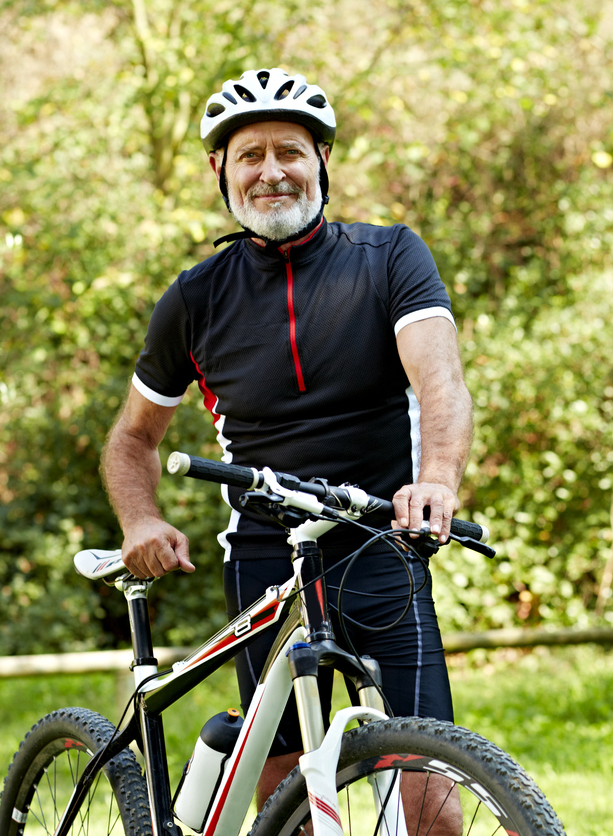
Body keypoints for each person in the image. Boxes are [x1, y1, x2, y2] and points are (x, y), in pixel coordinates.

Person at [100, 67, 471, 830]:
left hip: (378, 536)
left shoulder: (391, 258)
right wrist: (140, 521)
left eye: (291, 151)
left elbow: (440, 381)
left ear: (322, 163)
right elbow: (133, 438)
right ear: (220, 171)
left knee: (431, 794)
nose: (272, 171)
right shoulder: (195, 299)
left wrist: (434, 477)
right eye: (250, 155)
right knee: (281, 805)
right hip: (265, 550)